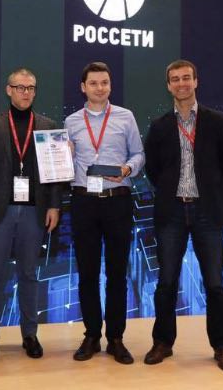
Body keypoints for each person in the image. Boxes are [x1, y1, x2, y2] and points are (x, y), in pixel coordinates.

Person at [143, 59, 223, 372]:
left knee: (215, 283)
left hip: (207, 212)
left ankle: (222, 347)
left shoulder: (216, 121)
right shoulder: (159, 126)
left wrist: (212, 190)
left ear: (196, 81)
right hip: (171, 212)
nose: (181, 83)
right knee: (166, 282)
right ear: (168, 85)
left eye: (186, 78)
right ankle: (163, 343)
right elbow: (153, 170)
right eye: (175, 79)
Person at [0, 68, 62, 361]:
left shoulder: (48, 126)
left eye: (31, 88)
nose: (26, 92)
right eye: (20, 87)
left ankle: (30, 335)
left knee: (28, 274)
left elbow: (54, 175)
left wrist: (54, 206)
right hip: (0, 210)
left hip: (34, 211)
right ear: (8, 90)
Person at [65, 61, 145, 365]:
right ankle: (91, 336)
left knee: (117, 273)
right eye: (94, 83)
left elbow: (139, 154)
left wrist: (127, 168)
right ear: (83, 87)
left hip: (117, 200)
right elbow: (62, 163)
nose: (100, 88)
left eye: (105, 83)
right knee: (87, 273)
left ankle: (116, 338)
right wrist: (65, 156)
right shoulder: (71, 121)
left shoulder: (126, 117)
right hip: (83, 201)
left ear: (110, 86)